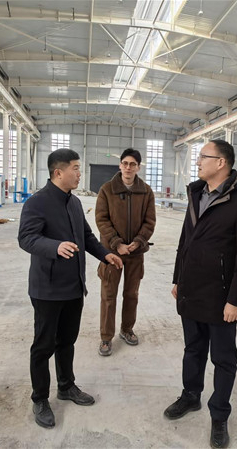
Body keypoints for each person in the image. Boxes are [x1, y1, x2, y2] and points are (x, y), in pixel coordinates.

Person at [165, 140, 237, 448]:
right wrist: (178, 278)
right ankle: (190, 395)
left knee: (223, 358)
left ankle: (219, 415)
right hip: (191, 289)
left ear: (221, 162)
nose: (197, 162)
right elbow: (185, 240)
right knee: (193, 349)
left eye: (202, 157)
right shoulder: (196, 193)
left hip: (222, 297)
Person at [18, 149, 123, 429]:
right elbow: (26, 238)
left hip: (74, 287)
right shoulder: (37, 203)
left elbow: (86, 236)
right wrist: (54, 246)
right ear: (58, 172)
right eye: (75, 168)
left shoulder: (74, 202)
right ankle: (40, 398)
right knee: (43, 346)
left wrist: (105, 254)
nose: (79, 173)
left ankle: (66, 386)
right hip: (47, 289)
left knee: (66, 342)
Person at [95, 148, 156, 356]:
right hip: (112, 253)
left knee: (131, 294)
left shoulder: (146, 191)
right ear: (120, 165)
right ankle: (106, 337)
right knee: (108, 294)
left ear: (138, 167)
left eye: (133, 164)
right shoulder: (107, 190)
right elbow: (101, 219)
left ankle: (127, 329)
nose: (128, 167)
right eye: (125, 163)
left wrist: (138, 242)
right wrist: (117, 243)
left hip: (135, 253)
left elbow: (150, 221)